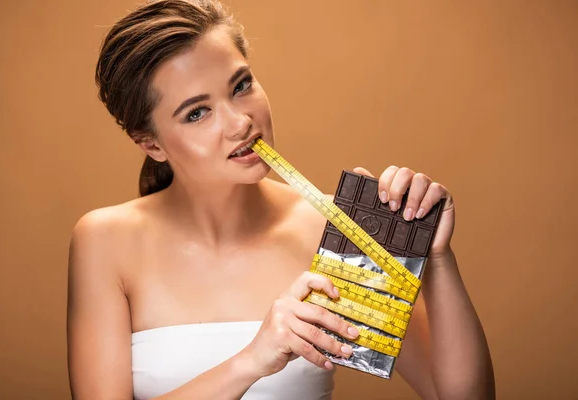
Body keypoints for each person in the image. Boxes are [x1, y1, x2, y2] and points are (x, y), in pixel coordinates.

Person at [66, 0, 495, 399]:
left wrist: (436, 261)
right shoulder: (105, 241)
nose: (240, 122)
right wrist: (252, 360)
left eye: (241, 85)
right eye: (197, 112)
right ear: (150, 143)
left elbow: (457, 395)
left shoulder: (332, 228)